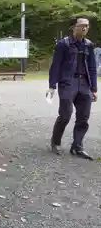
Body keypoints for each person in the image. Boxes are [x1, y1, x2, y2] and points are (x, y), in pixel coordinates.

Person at [47, 16, 97, 160]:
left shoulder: (88, 45)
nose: (84, 28)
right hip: (68, 83)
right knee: (65, 115)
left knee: (83, 117)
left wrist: (94, 88)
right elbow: (55, 65)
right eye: (81, 25)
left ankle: (77, 146)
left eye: (87, 26)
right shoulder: (64, 44)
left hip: (84, 84)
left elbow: (92, 68)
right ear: (73, 27)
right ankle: (55, 142)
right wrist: (52, 86)